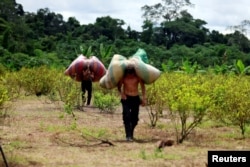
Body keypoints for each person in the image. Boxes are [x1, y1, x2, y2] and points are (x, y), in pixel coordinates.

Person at [117, 66, 146, 141]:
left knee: (135, 119)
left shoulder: (137, 77)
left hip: (135, 98)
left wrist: (144, 98)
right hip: (126, 98)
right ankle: (128, 136)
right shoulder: (123, 77)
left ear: (134, 73)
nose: (130, 76)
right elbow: (119, 87)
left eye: (131, 74)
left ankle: (131, 133)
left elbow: (143, 87)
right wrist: (121, 94)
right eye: (128, 74)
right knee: (126, 116)